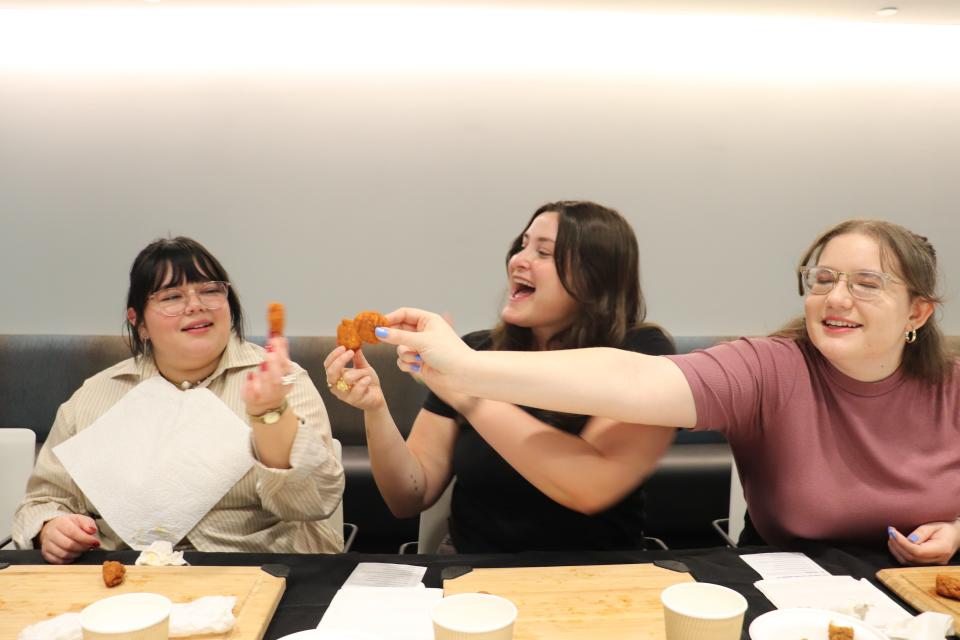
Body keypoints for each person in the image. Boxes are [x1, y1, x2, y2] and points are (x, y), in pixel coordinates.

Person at [378, 218, 960, 565]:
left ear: (919, 311)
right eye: (824, 280)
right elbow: (638, 381)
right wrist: (460, 366)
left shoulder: (951, 384)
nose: (836, 299)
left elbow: (590, 479)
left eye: (866, 284)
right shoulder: (769, 368)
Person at [324, 201, 676, 553]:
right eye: (522, 245)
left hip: (598, 578)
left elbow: (589, 486)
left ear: (595, 275)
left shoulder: (641, 353)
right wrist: (375, 407)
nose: (519, 260)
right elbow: (409, 496)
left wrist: (467, 392)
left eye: (543, 252)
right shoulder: (477, 350)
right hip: (473, 577)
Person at [13, 237, 345, 563]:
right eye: (172, 296)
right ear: (138, 322)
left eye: (211, 290)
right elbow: (44, 500)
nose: (195, 305)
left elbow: (314, 502)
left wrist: (271, 414)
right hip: (124, 580)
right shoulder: (94, 397)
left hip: (257, 569)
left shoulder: (281, 379)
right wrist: (51, 528)